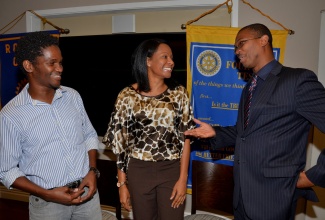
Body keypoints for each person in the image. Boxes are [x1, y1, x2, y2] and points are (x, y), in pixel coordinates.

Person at [184, 23, 325, 220]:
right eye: (235, 47)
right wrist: (214, 132)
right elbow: (244, 134)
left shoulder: (297, 80)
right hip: (242, 196)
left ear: (263, 40)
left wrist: (313, 177)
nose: (237, 51)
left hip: (273, 198)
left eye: (241, 43)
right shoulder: (250, 86)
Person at [0, 31, 102, 220]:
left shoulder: (72, 96)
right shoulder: (11, 115)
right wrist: (47, 194)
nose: (60, 68)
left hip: (87, 195)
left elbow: (89, 135)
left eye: (60, 62)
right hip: (48, 206)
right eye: (51, 63)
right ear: (29, 66)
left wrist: (92, 171)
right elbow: (6, 171)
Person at [102, 38, 195, 220]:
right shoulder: (126, 96)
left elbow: (186, 139)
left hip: (171, 170)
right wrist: (122, 185)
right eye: (165, 57)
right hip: (138, 170)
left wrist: (183, 179)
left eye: (172, 57)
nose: (171, 62)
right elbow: (121, 145)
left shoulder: (179, 93)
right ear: (148, 60)